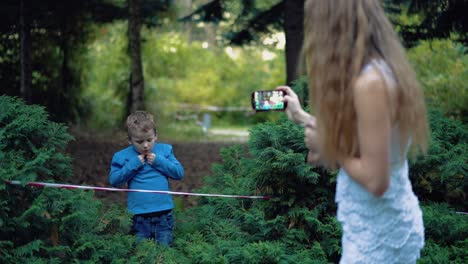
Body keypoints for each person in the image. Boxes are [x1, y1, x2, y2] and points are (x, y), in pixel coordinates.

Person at [277, 0, 429, 263]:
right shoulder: (378, 70)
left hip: (380, 236)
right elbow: (362, 143)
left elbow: (375, 181)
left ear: (333, 24)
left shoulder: (371, 83)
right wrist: (302, 117)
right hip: (376, 225)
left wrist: (328, 147)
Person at [109, 111, 184, 246]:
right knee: (142, 254)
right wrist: (133, 164)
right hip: (138, 216)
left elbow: (178, 173)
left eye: (149, 140)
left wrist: (159, 161)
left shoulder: (165, 150)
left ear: (156, 136)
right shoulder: (121, 156)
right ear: (129, 140)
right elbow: (114, 181)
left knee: (164, 253)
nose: (145, 145)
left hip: (163, 214)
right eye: (139, 141)